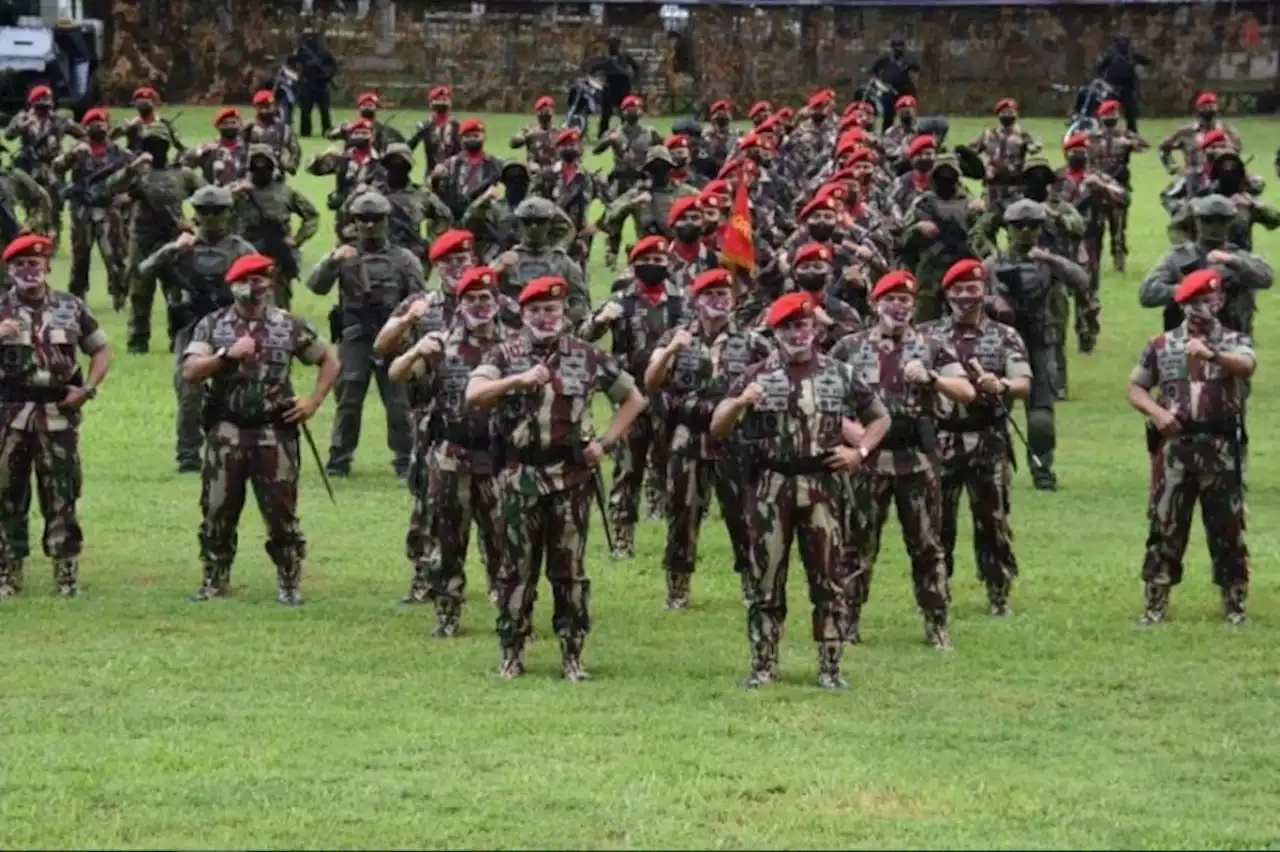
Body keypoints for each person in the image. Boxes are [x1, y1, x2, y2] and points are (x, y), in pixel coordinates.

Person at [466, 275, 647, 682]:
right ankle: (511, 652)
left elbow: (633, 398)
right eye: (536, 311)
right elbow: (473, 393)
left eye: (552, 310)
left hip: (570, 478)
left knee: (570, 572)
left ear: (564, 312)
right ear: (523, 314)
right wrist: (517, 380)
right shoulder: (505, 353)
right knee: (516, 570)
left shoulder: (585, 356)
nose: (545, 317)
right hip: (519, 477)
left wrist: (606, 443)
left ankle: (572, 653)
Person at [711, 292, 890, 688]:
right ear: (775, 332)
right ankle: (763, 664)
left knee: (828, 579)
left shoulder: (838, 373)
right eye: (789, 327)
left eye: (804, 325)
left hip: (821, 485)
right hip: (771, 486)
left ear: (814, 329)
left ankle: (830, 666)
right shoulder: (756, 374)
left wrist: (859, 451)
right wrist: (742, 402)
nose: (798, 333)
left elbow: (880, 417)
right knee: (765, 578)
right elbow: (717, 425)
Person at [182, 254, 339, 604]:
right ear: (234, 286)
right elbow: (191, 371)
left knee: (281, 511)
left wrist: (313, 401)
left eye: (264, 281)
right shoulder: (213, 325)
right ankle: (215, 578)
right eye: (251, 281)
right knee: (218, 508)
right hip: (227, 431)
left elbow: (329, 360)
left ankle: (289, 581)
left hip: (274, 432)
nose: (260, 288)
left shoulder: (289, 325)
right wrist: (226, 356)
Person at [830, 271, 974, 649]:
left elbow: (966, 390)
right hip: (868, 461)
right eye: (890, 300)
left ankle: (936, 623)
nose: (898, 307)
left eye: (905, 301)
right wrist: (854, 435)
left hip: (917, 460)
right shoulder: (850, 347)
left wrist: (932, 380)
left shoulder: (931, 345)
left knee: (927, 546)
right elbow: (825, 397)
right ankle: (848, 622)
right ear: (875, 305)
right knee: (857, 544)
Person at [1126, 268, 1253, 625]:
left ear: (1220, 300)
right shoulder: (1161, 345)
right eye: (1191, 303)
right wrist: (1154, 411)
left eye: (1206, 301)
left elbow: (1246, 365)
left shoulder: (1232, 340)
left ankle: (1234, 602)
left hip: (1220, 448)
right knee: (1165, 524)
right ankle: (1155, 602)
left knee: (1227, 526)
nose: (1199, 309)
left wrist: (1213, 355)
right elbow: (1135, 387)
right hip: (1175, 447)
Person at [388, 265, 509, 637]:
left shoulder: (515, 346)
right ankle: (447, 614)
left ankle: (511, 613)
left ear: (497, 302)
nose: (479, 305)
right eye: (471, 298)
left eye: (485, 298)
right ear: (460, 303)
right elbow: (395, 373)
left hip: (501, 460)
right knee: (448, 539)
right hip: (452, 455)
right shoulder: (441, 345)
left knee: (506, 541)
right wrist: (414, 354)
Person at [645, 268, 772, 608]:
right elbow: (652, 381)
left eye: (725, 296)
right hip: (688, 439)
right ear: (697, 300)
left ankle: (751, 582)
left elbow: (775, 380)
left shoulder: (752, 343)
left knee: (743, 515)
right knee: (682, 515)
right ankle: (678, 587)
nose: (719, 302)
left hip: (734, 440)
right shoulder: (677, 336)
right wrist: (672, 350)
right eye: (712, 295)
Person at [0, 235, 110, 599]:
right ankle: (8, 571)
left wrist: (88, 389)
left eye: (36, 264)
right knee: (7, 495)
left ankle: (65, 572)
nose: (29, 271)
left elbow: (100, 349)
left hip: (59, 416)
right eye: (21, 265)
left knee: (62, 493)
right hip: (10, 416)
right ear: (10, 270)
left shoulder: (71, 306)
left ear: (48, 265)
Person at [921, 259, 1032, 615]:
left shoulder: (1005, 336)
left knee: (993, 521)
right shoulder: (926, 337)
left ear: (984, 291)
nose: (966, 296)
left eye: (972, 289)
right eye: (958, 290)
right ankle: (938, 590)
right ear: (947, 293)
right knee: (938, 522)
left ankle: (998, 591)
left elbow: (1024, 384)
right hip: (942, 440)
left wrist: (1001, 384)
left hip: (989, 439)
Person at [137, 185, 257, 473]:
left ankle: (239, 448)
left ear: (229, 213)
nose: (212, 217)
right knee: (189, 391)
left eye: (218, 211)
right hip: (192, 326)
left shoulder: (242, 249)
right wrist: (170, 250)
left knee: (240, 390)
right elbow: (143, 271)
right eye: (205, 211)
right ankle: (189, 455)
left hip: (232, 325)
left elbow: (261, 287)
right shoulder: (183, 248)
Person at [305, 192, 423, 479]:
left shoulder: (404, 259)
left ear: (386, 221)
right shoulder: (343, 255)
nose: (369, 226)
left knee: (398, 402)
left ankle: (406, 459)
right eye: (363, 220)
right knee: (348, 400)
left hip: (393, 338)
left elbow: (420, 299)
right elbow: (315, 286)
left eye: (376, 219)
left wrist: (410, 335)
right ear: (354, 222)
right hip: (355, 337)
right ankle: (339, 460)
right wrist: (333, 261)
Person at [586, 37, 641, 138]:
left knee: (625, 112)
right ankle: (602, 135)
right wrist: (597, 83)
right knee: (606, 113)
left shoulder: (625, 57)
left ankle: (627, 133)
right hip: (609, 86)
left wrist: (634, 81)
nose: (613, 48)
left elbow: (636, 67)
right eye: (611, 45)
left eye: (615, 45)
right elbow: (591, 70)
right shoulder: (604, 59)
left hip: (623, 86)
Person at [1095, 35, 1150, 133]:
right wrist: (1104, 82)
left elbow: (1147, 61)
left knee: (1130, 114)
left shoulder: (1130, 57)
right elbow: (1099, 68)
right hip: (1113, 89)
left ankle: (1131, 133)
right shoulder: (1113, 57)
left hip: (1126, 90)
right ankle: (1105, 130)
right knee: (1107, 111)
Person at [293, 26, 337, 138]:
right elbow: (292, 65)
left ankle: (327, 131)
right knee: (305, 111)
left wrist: (327, 74)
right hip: (307, 84)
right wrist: (301, 72)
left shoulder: (324, 52)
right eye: (307, 37)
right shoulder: (300, 52)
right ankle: (305, 132)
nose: (310, 39)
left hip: (321, 85)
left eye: (312, 36)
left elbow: (332, 66)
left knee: (324, 110)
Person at [869, 38, 920, 133]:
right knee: (888, 118)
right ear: (892, 48)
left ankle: (909, 135)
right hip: (889, 93)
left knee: (907, 118)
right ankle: (886, 137)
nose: (899, 49)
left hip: (905, 92)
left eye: (901, 46)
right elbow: (874, 73)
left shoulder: (909, 60)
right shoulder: (885, 59)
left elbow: (916, 73)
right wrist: (880, 84)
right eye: (896, 47)